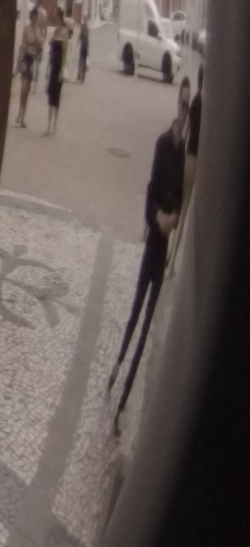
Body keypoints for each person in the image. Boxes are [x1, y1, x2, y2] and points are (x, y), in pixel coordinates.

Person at [110, 93, 190, 423]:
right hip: (154, 242)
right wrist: (159, 218)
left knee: (146, 324)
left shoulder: (182, 150)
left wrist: (175, 218)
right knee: (135, 312)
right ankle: (117, 368)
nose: (184, 115)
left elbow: (179, 194)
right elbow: (152, 189)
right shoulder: (163, 144)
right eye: (183, 107)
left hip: (164, 244)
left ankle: (124, 396)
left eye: (188, 109)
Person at [43, 17, 67, 135]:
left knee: (56, 98)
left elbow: (65, 54)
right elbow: (50, 48)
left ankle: (54, 126)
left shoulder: (64, 32)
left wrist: (62, 71)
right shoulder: (55, 31)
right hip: (53, 67)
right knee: (50, 96)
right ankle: (48, 125)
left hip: (58, 68)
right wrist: (47, 69)